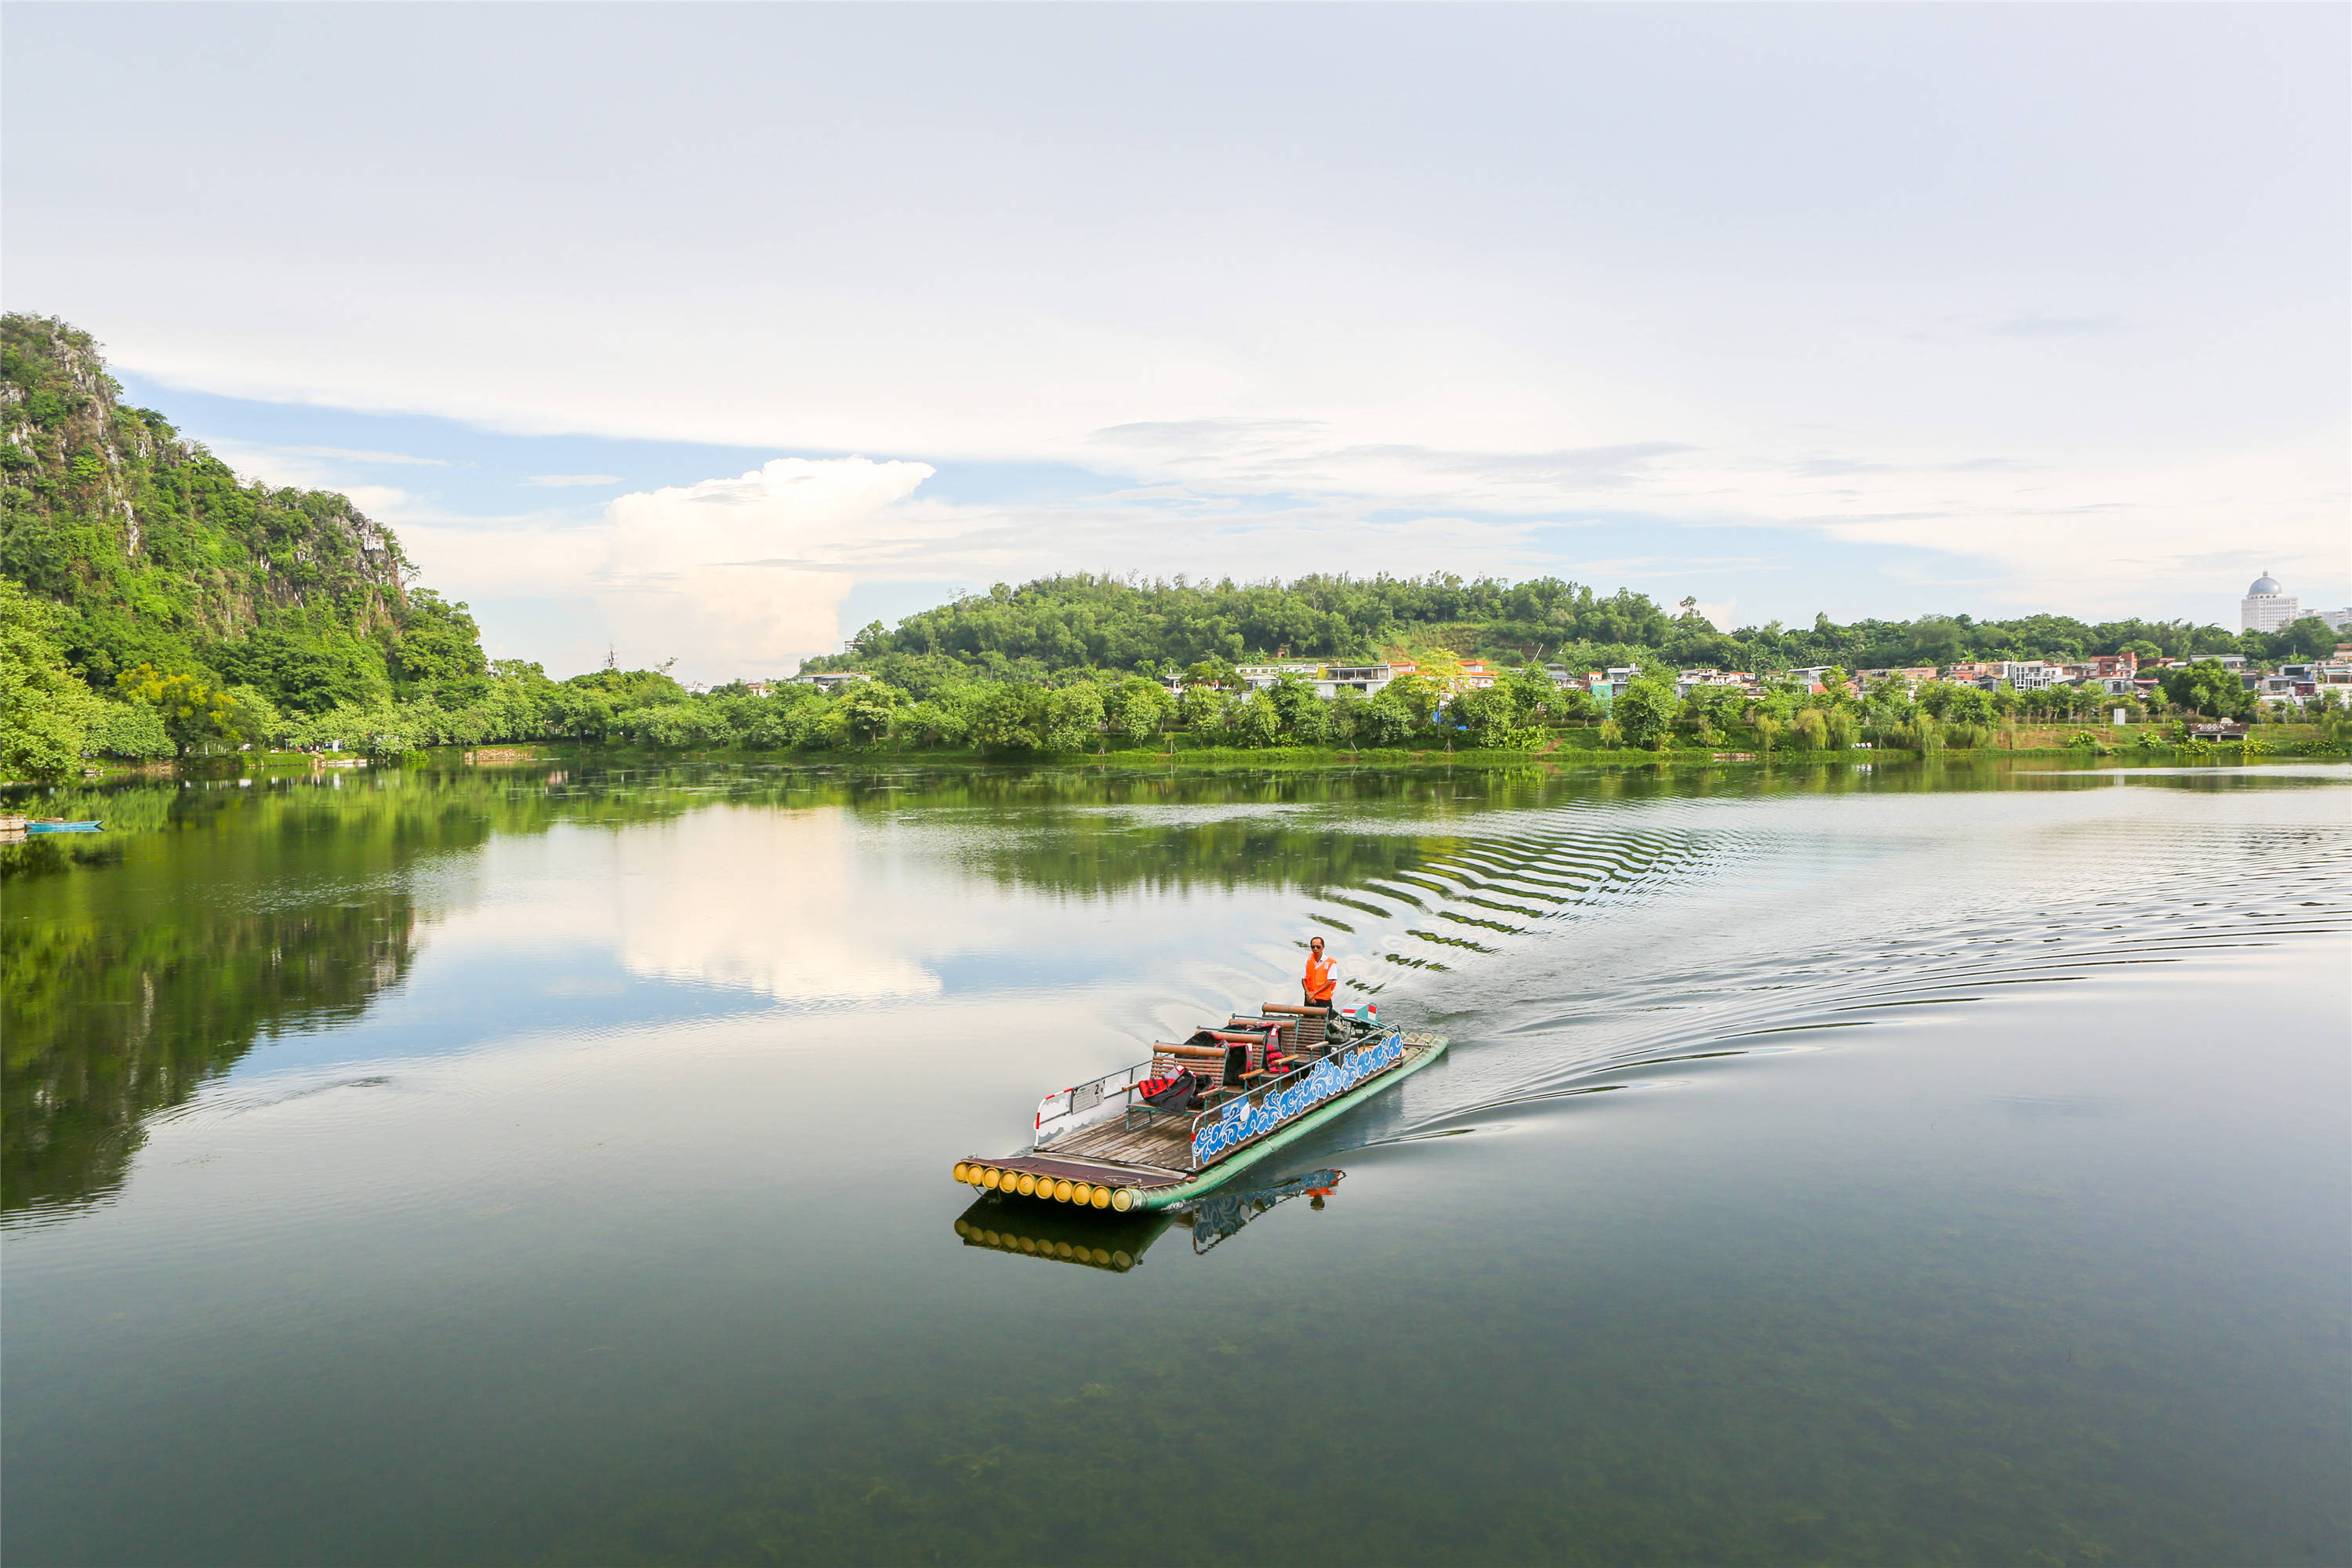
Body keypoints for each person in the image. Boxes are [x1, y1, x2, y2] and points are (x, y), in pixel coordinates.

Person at [1302, 935, 1339, 1011]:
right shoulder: (1308, 960)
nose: (1315, 949)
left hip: (1323, 1000)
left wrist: (1314, 993)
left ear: (1323, 947)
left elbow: (1329, 982)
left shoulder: (1331, 963)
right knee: (1306, 1021)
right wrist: (1308, 993)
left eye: (1318, 947)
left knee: (1323, 1021)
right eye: (1313, 947)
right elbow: (1303, 979)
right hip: (1309, 998)